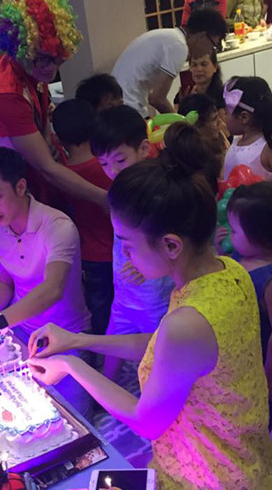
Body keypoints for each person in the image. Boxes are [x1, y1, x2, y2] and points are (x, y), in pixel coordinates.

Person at [28, 123, 272, 489]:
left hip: (210, 473)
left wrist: (71, 365)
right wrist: (77, 341)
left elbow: (146, 421)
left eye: (128, 244)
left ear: (171, 245)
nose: (125, 255)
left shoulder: (189, 322)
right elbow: (164, 348)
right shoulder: (228, 270)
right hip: (241, 455)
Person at [0, 0, 106, 255]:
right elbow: (46, 167)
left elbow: (41, 130)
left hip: (9, 160)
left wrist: (45, 137)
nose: (50, 68)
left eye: (57, 58)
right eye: (41, 58)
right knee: (9, 248)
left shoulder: (30, 69)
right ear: (19, 48)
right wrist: (104, 198)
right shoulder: (5, 94)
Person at [0, 146, 92, 417]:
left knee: (70, 419)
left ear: (20, 186)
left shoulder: (57, 227)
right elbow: (4, 282)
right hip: (20, 332)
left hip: (65, 336)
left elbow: (52, 290)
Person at [90, 105, 174, 380]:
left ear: (144, 148)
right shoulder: (119, 189)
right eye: (104, 164)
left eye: (120, 160)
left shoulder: (158, 190)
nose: (112, 170)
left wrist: (152, 264)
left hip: (156, 299)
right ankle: (101, 399)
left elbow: (178, 244)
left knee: (159, 361)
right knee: (111, 356)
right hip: (124, 297)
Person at [52, 100, 114, 335]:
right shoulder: (107, 166)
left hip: (88, 254)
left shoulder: (62, 175)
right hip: (116, 251)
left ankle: (99, 345)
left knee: (98, 306)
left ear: (59, 139)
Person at [220, 182, 272, 429]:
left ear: (260, 236)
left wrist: (268, 378)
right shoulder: (243, 255)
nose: (229, 234)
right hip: (234, 350)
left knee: (256, 415)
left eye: (234, 230)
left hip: (257, 359)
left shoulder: (269, 280)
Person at [111, 8, 227, 118]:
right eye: (213, 45)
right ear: (202, 36)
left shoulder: (171, 37)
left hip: (120, 102)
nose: (210, 51)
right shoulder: (179, 46)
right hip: (128, 106)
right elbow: (157, 99)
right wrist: (182, 123)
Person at [223, 76, 272, 180]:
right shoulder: (236, 140)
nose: (223, 117)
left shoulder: (267, 149)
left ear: (244, 117)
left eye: (226, 112)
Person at [179, 93, 229, 175]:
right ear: (197, 126)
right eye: (214, 119)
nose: (220, 122)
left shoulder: (219, 144)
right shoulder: (192, 164)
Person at [174, 48, 224, 112]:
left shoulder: (222, 95)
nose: (199, 69)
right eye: (194, 65)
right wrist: (184, 103)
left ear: (215, 67)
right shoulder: (184, 93)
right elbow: (175, 116)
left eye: (204, 64)